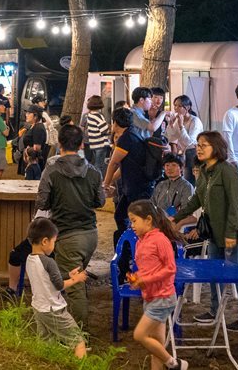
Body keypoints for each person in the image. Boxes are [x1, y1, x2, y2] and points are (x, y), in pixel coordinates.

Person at [173, 131, 238, 331]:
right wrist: (176, 218)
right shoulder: (203, 171)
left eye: (204, 145)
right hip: (214, 230)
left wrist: (231, 233)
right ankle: (215, 310)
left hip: (234, 230)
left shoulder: (228, 170)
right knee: (214, 272)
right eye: (198, 145)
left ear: (216, 147)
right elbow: (196, 200)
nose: (199, 148)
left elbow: (235, 204)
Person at [35, 124, 105, 324]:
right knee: (77, 278)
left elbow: (42, 202)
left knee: (74, 287)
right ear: (82, 144)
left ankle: (78, 334)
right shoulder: (93, 171)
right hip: (90, 234)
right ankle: (76, 328)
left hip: (66, 236)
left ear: (59, 144)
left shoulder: (51, 171)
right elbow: (100, 201)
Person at [127, 200, 188, 370]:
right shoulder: (141, 241)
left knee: (139, 335)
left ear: (148, 220)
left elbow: (170, 269)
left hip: (163, 297)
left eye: (134, 221)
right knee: (156, 344)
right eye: (130, 221)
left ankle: (174, 364)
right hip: (151, 296)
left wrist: (144, 280)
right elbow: (149, 269)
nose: (132, 225)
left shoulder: (160, 240)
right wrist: (137, 278)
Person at [23, 217, 88, 360]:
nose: (54, 246)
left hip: (39, 308)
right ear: (45, 241)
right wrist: (76, 279)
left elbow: (47, 278)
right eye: (54, 242)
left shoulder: (29, 259)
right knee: (78, 341)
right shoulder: (49, 261)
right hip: (54, 309)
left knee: (46, 343)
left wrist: (68, 275)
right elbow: (59, 285)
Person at [104, 108, 155, 245]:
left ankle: (130, 247)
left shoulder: (126, 138)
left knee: (131, 218)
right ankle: (128, 246)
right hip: (136, 187)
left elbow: (114, 163)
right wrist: (109, 181)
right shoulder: (134, 133)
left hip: (136, 188)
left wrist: (106, 184)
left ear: (115, 123)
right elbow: (123, 167)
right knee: (121, 216)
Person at [164, 95, 203, 183]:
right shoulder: (177, 120)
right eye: (175, 105)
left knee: (189, 181)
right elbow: (170, 137)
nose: (176, 108)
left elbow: (190, 143)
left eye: (179, 106)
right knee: (182, 181)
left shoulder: (195, 121)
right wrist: (170, 124)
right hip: (182, 155)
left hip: (193, 154)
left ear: (187, 107)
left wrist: (181, 126)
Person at [84, 96, 110, 178]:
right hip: (101, 143)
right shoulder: (98, 116)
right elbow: (104, 130)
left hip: (93, 143)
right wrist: (109, 127)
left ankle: (94, 180)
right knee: (99, 166)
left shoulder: (89, 115)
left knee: (96, 164)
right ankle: (98, 182)